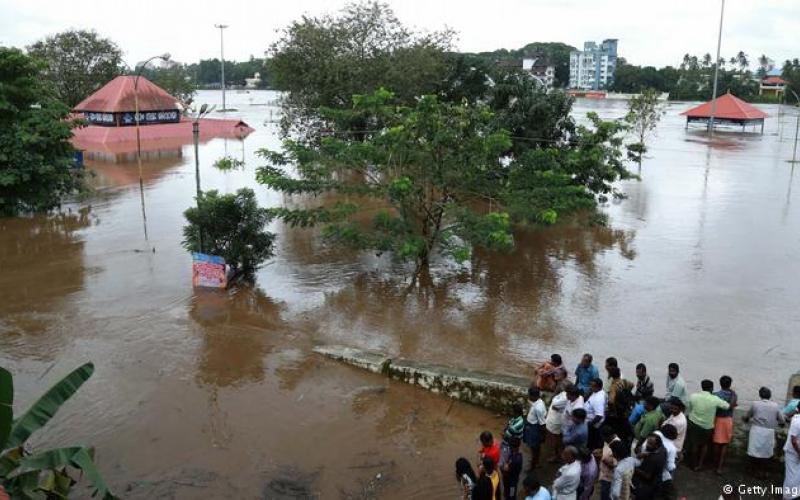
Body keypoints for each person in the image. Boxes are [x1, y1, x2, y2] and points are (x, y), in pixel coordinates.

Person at [685, 379, 729, 471]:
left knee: (694, 445)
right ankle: (700, 465)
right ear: (711, 388)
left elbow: (690, 407)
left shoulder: (693, 396)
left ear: (702, 387)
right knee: (704, 445)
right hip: (707, 426)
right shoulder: (714, 399)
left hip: (694, 423)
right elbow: (726, 406)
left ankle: (693, 464)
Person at [744, 386, 785, 479]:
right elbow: (782, 420)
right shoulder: (775, 405)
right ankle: (763, 471)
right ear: (770, 396)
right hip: (768, 432)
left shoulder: (755, 404)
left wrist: (745, 419)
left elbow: (748, 416)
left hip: (756, 430)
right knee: (766, 452)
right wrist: (781, 424)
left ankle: (752, 470)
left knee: (753, 450)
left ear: (760, 395)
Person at [712, 375, 738, 474]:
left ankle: (714, 464)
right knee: (724, 444)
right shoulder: (734, 395)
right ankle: (720, 467)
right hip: (728, 420)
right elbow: (733, 405)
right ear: (730, 384)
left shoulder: (715, 394)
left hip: (718, 419)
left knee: (716, 443)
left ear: (720, 383)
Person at [633, 434, 667, 500]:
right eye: (647, 442)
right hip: (656, 481)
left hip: (647, 485)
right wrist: (646, 454)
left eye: (650, 444)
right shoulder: (662, 449)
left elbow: (647, 476)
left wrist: (634, 468)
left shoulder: (653, 459)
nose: (647, 445)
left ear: (656, 445)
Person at [545, 388, 570, 463]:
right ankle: (558, 455)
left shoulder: (565, 397)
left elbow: (555, 403)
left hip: (557, 421)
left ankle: (557, 456)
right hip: (556, 419)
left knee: (556, 440)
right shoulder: (562, 394)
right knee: (556, 439)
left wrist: (555, 400)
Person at [526, 387, 548, 469]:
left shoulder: (538, 408)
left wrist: (543, 435)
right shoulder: (538, 401)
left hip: (534, 428)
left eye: (529, 395)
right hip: (532, 426)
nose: (528, 397)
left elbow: (542, 423)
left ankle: (533, 464)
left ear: (534, 396)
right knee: (535, 447)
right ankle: (535, 461)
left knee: (534, 447)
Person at [654, 424, 678, 497]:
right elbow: (670, 467)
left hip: (647, 463)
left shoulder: (656, 434)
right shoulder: (671, 448)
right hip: (659, 471)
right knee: (672, 468)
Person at [585, 378, 608, 450]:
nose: (590, 387)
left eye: (592, 386)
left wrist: (590, 425)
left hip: (595, 427)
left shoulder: (599, 398)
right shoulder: (596, 392)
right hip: (591, 424)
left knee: (592, 445)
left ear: (598, 387)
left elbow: (599, 416)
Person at [599, 426, 621, 500]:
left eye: (603, 437)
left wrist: (602, 458)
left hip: (609, 478)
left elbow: (614, 465)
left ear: (608, 436)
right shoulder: (609, 441)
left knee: (606, 496)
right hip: (605, 474)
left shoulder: (617, 445)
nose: (602, 439)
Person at [783, 407, 800, 500]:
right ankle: (790, 495)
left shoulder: (796, 420)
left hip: (794, 451)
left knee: (792, 474)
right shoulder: (796, 420)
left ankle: (789, 495)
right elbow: (793, 441)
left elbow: (793, 440)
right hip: (794, 451)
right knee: (794, 474)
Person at [501, 403, 525, 467]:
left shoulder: (519, 423)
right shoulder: (515, 418)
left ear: (516, 412)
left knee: (507, 455)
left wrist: (504, 433)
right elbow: (509, 424)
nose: (511, 412)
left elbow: (507, 434)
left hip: (511, 442)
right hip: (510, 441)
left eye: (512, 411)